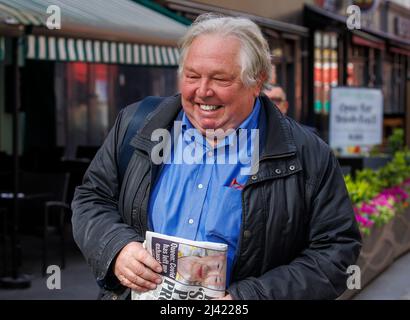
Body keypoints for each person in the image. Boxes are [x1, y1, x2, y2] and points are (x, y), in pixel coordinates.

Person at [72, 13, 362, 300]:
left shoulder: (307, 154)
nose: (202, 91)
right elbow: (92, 198)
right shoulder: (137, 123)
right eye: (192, 76)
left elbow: (335, 252)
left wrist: (252, 296)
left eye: (220, 79)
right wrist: (117, 248)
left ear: (257, 82)